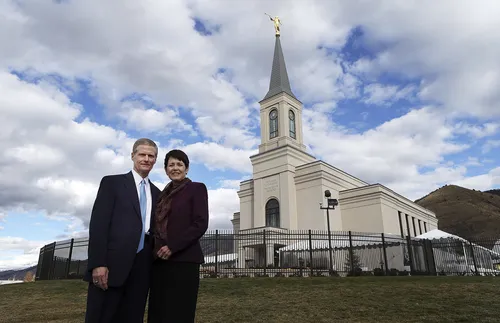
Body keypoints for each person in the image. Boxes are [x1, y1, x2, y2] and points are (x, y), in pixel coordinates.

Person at [84, 138, 161, 323]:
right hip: (111, 266)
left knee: (133, 316)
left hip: (142, 267)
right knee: (102, 316)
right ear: (133, 155)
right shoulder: (112, 183)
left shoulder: (158, 193)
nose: (146, 159)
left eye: (151, 156)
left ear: (155, 160)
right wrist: (98, 263)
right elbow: (99, 224)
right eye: (142, 154)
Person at [147, 149, 209, 323]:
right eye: (171, 165)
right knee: (159, 310)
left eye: (179, 164)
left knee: (180, 311)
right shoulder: (161, 196)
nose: (175, 168)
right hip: (160, 261)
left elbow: (200, 223)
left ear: (187, 169)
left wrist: (173, 246)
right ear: (166, 170)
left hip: (184, 260)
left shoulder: (196, 188)